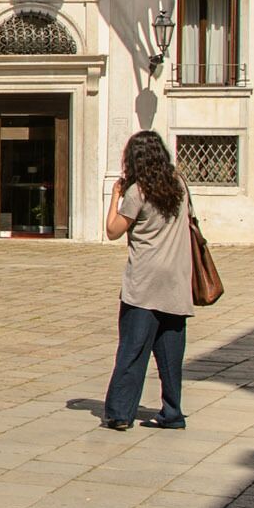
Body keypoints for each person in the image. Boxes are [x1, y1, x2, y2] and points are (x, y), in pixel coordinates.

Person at [101, 130, 194, 432]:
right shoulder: (180, 185)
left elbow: (113, 230)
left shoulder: (137, 191)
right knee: (170, 357)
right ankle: (172, 412)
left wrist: (115, 194)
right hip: (177, 282)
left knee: (132, 350)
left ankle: (120, 412)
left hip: (144, 283)